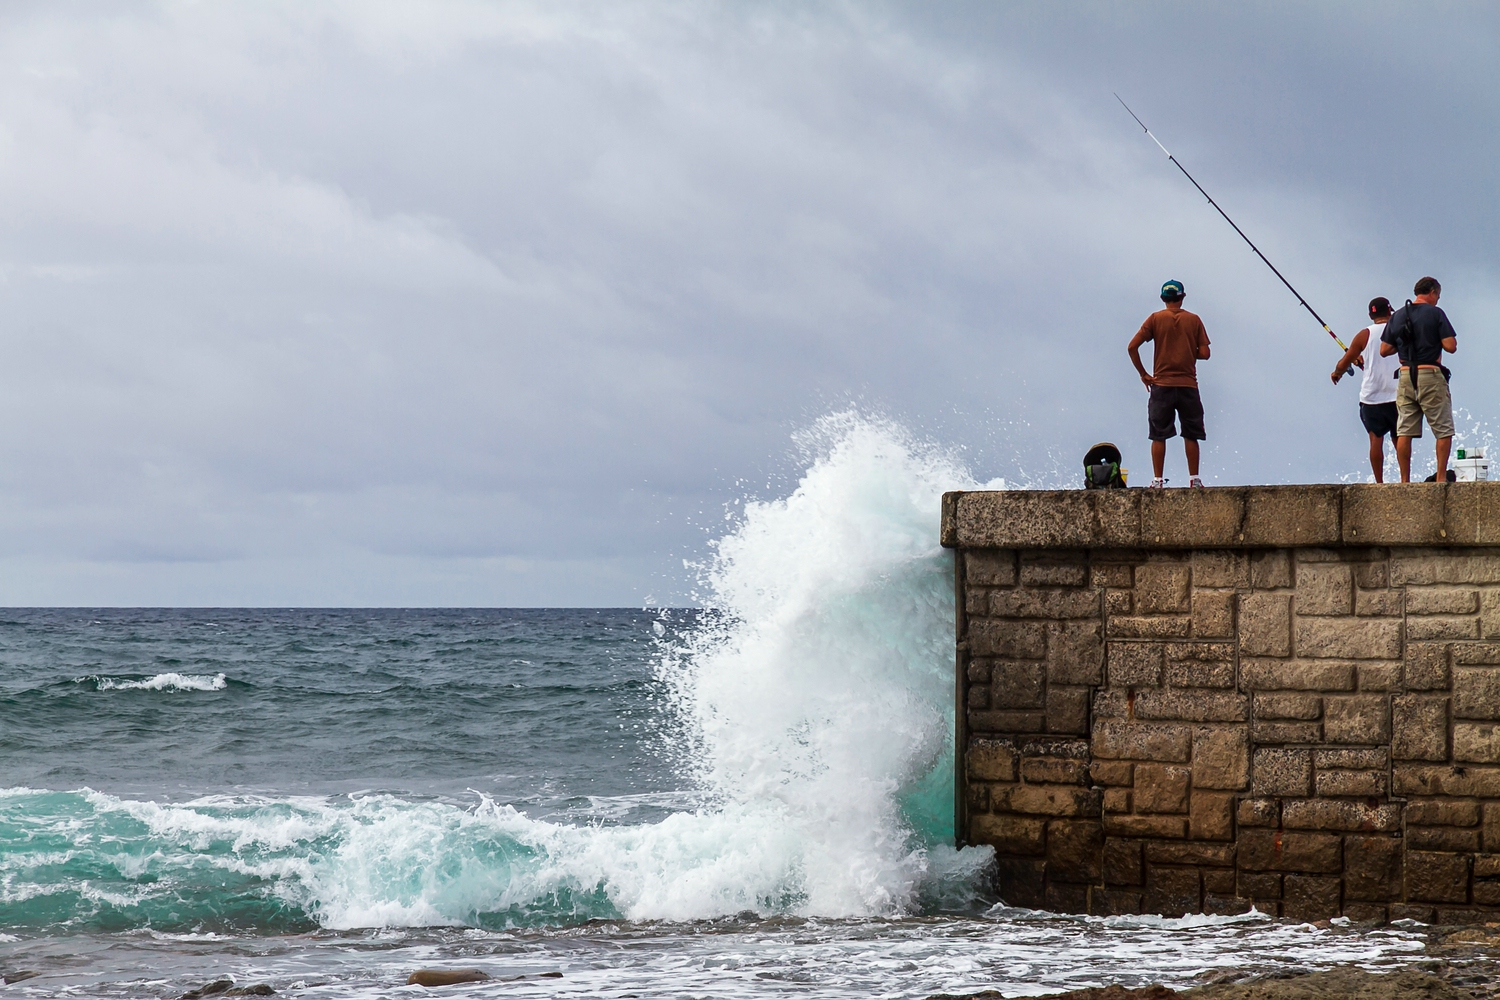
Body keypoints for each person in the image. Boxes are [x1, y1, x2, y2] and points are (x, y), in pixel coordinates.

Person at [1127, 279, 1211, 488]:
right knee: (1191, 433)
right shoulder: (1194, 320)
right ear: (1182, 297)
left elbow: (1132, 347)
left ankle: (1157, 481)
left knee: (1158, 434)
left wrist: (1144, 374)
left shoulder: (1155, 319)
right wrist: (1187, 349)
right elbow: (1205, 353)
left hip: (1161, 385)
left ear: (1163, 299)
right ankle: (1194, 479)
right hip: (1188, 385)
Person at [1379, 276, 1458, 483]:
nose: (1437, 300)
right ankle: (1441, 477)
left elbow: (1384, 350)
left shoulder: (1398, 315)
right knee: (1443, 429)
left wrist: (1404, 342)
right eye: (1437, 296)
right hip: (1430, 373)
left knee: (1404, 429)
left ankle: (1405, 481)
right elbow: (1451, 346)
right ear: (1432, 292)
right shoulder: (1435, 313)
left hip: (1405, 375)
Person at [1331, 297, 1400, 482]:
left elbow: (1344, 362)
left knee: (1375, 439)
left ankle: (1379, 483)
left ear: (1370, 315)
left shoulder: (1364, 335)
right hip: (1398, 394)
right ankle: (1405, 481)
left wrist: (1337, 372)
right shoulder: (1400, 330)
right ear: (1390, 311)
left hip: (1372, 398)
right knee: (1400, 439)